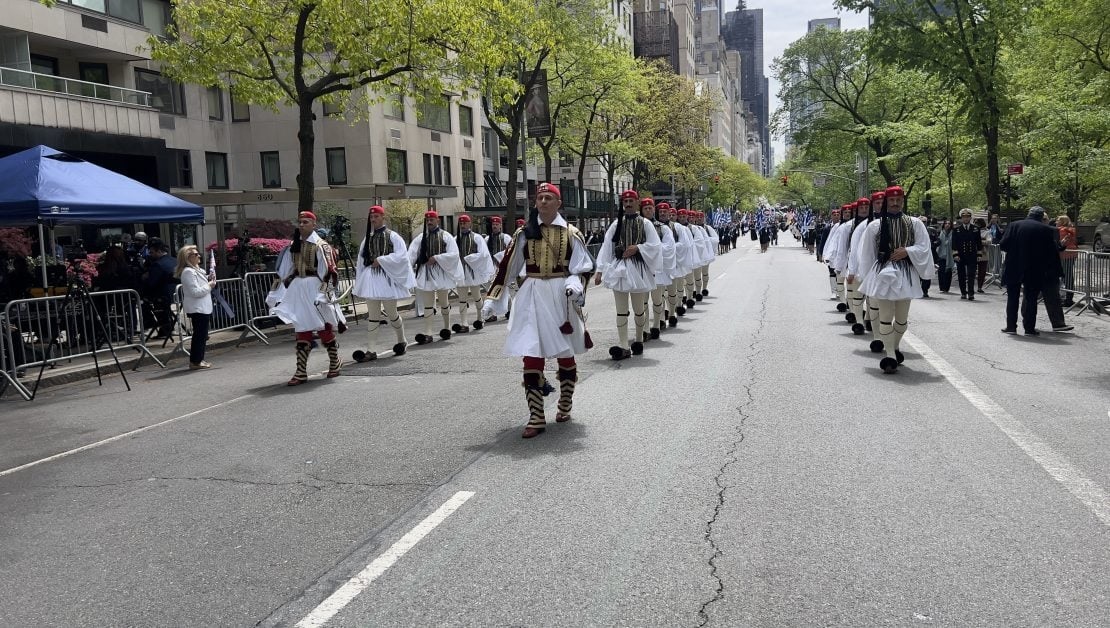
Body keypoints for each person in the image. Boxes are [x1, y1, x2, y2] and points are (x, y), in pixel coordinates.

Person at [481, 182, 594, 439]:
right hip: (531, 294)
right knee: (531, 352)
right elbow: (507, 267)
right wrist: (493, 297)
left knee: (565, 352)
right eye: (540, 198)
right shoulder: (524, 232)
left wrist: (575, 284)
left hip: (560, 295)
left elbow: (583, 267)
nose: (543, 201)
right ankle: (536, 415)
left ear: (558, 203)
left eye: (548, 198)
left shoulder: (571, 233)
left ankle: (565, 401)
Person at [851, 185, 935, 374]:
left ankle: (895, 346)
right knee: (886, 317)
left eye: (898, 200)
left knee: (902, 320)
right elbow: (867, 254)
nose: (895, 203)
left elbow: (924, 246)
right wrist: (866, 278)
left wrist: (907, 251)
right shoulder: (874, 226)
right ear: (886, 202)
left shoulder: (915, 223)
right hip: (882, 274)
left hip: (905, 274)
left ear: (903, 201)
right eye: (891, 200)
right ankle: (889, 355)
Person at [268, 210, 345, 385]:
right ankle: (301, 370)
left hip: (315, 288)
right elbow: (283, 271)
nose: (302, 225)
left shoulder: (321, 246)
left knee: (323, 327)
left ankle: (334, 361)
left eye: (306, 222)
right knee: (301, 326)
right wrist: (274, 293)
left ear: (314, 224)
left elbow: (328, 272)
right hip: (298, 289)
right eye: (300, 222)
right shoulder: (292, 245)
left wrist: (324, 295)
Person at [595, 190, 662, 359]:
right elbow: (607, 247)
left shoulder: (645, 224)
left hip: (638, 269)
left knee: (639, 309)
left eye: (631, 201)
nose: (628, 204)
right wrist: (600, 270)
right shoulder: (615, 224)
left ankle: (639, 340)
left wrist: (638, 247)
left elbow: (655, 245)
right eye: (626, 201)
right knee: (621, 310)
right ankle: (624, 345)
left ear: (637, 202)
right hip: (619, 269)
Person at [351, 205, 415, 362]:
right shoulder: (367, 238)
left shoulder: (393, 236)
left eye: (376, 217)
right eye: (371, 217)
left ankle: (402, 340)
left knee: (392, 313)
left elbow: (402, 257)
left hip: (387, 280)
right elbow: (361, 260)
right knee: (373, 315)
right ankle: (371, 350)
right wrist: (361, 278)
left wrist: (381, 260)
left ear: (383, 217)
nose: (373, 219)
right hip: (371, 280)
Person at [997, 206, 1071, 335]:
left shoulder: (1014, 225)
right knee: (1031, 298)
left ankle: (1011, 326)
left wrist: (1015, 251)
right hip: (1034, 268)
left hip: (1014, 266)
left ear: (1029, 214)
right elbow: (1051, 251)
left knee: (1012, 297)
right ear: (1041, 216)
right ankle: (1029, 329)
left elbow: (1003, 245)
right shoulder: (1046, 229)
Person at [408, 210, 463, 344]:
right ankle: (428, 333)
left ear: (437, 220)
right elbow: (411, 255)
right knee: (427, 305)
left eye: (432, 220)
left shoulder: (446, 236)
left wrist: (437, 258)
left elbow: (454, 254)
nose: (429, 222)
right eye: (427, 220)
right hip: (425, 273)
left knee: (444, 302)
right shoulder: (420, 238)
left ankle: (446, 328)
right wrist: (407, 270)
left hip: (441, 273)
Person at [640, 198, 676, 338]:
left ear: (653, 209)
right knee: (642, 301)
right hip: (642, 268)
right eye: (645, 208)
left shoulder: (663, 228)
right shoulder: (637, 226)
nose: (648, 210)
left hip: (657, 269)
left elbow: (669, 247)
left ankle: (656, 325)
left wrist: (649, 249)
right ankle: (644, 328)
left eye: (650, 208)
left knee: (657, 299)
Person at [453, 214, 496, 333]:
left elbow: (483, 254)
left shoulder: (477, 238)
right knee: (462, 299)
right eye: (461, 223)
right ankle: (464, 323)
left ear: (469, 224)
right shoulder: (455, 239)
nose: (462, 225)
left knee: (477, 296)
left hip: (473, 272)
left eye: (464, 223)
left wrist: (470, 258)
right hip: (461, 272)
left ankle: (480, 318)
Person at [175, 245, 215, 370]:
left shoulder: (198, 270)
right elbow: (195, 292)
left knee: (202, 335)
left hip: (203, 307)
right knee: (199, 335)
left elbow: (201, 284)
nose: (199, 256)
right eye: (195, 254)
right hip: (197, 308)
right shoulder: (188, 272)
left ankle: (199, 359)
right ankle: (196, 361)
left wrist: (209, 279)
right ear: (188, 258)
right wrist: (209, 285)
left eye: (198, 253)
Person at [141, 239, 178, 338]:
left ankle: (154, 325)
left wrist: (145, 277)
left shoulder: (157, 264)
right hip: (176, 294)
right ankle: (166, 327)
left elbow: (151, 283)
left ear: (159, 251)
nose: (150, 255)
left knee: (143, 302)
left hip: (163, 296)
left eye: (152, 252)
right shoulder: (174, 260)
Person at [484, 216, 514, 321]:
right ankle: (493, 314)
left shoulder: (506, 238)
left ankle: (509, 310)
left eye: (497, 224)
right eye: (493, 224)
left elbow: (511, 252)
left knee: (502, 290)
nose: (495, 226)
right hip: (491, 268)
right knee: (492, 290)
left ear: (500, 225)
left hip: (502, 267)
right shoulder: (487, 239)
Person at [950, 208, 982, 300]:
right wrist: (955, 254)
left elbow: (979, 243)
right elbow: (954, 243)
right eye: (964, 217)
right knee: (961, 275)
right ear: (961, 218)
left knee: (971, 275)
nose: (966, 218)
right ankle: (963, 292)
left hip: (972, 255)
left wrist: (979, 254)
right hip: (961, 255)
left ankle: (971, 293)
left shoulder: (976, 229)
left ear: (970, 218)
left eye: (967, 217)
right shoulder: (957, 230)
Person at [1057, 215, 1078, 307]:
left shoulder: (1062, 230)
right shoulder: (1071, 229)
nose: (1056, 222)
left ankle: (1068, 299)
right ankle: (1069, 297)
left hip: (1065, 254)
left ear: (1063, 221)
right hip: (1072, 254)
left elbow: (1060, 243)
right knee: (1068, 276)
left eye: (1058, 220)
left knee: (1067, 276)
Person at [935, 219, 955, 294]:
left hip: (950, 255)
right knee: (941, 271)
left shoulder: (953, 233)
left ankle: (947, 288)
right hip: (941, 255)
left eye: (949, 223)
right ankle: (942, 287)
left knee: (948, 272)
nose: (947, 225)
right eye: (946, 223)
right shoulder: (940, 232)